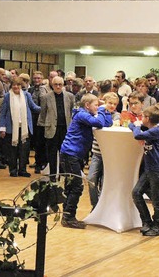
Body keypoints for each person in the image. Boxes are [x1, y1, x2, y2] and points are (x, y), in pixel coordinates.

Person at [59, 94, 112, 229]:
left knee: (71, 186)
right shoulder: (81, 115)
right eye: (95, 105)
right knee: (76, 186)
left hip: (74, 155)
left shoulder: (86, 114)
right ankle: (68, 217)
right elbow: (99, 123)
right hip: (70, 154)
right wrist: (102, 109)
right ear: (87, 105)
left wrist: (105, 111)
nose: (97, 106)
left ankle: (67, 215)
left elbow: (107, 123)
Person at [129, 105, 159, 236]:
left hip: (157, 170)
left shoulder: (156, 131)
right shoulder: (149, 129)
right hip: (149, 169)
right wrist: (135, 126)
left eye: (143, 117)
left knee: (157, 200)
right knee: (136, 193)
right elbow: (131, 126)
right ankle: (146, 222)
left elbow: (137, 135)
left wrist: (136, 126)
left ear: (148, 118)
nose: (141, 118)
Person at [0, 77, 41, 177]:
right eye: (14, 85)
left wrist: (45, 108)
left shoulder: (27, 95)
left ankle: (22, 170)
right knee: (12, 151)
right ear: (11, 86)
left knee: (24, 151)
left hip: (24, 128)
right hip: (11, 128)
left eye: (17, 85)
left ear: (21, 86)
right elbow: (3, 113)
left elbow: (34, 107)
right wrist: (2, 127)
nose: (16, 86)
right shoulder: (7, 96)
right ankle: (13, 170)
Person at [38, 76, 75, 181]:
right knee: (52, 154)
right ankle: (53, 175)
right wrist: (43, 126)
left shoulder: (70, 96)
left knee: (64, 153)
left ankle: (64, 174)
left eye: (60, 84)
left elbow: (72, 111)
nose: (58, 86)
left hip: (66, 129)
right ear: (52, 85)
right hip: (51, 129)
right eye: (56, 84)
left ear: (63, 85)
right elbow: (43, 113)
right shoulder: (45, 97)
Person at [87, 92, 119, 210]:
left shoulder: (116, 116)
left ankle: (103, 207)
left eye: (114, 104)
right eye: (110, 103)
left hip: (110, 154)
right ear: (103, 103)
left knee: (105, 182)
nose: (112, 106)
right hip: (97, 153)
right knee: (91, 179)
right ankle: (95, 206)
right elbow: (97, 126)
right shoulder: (97, 115)